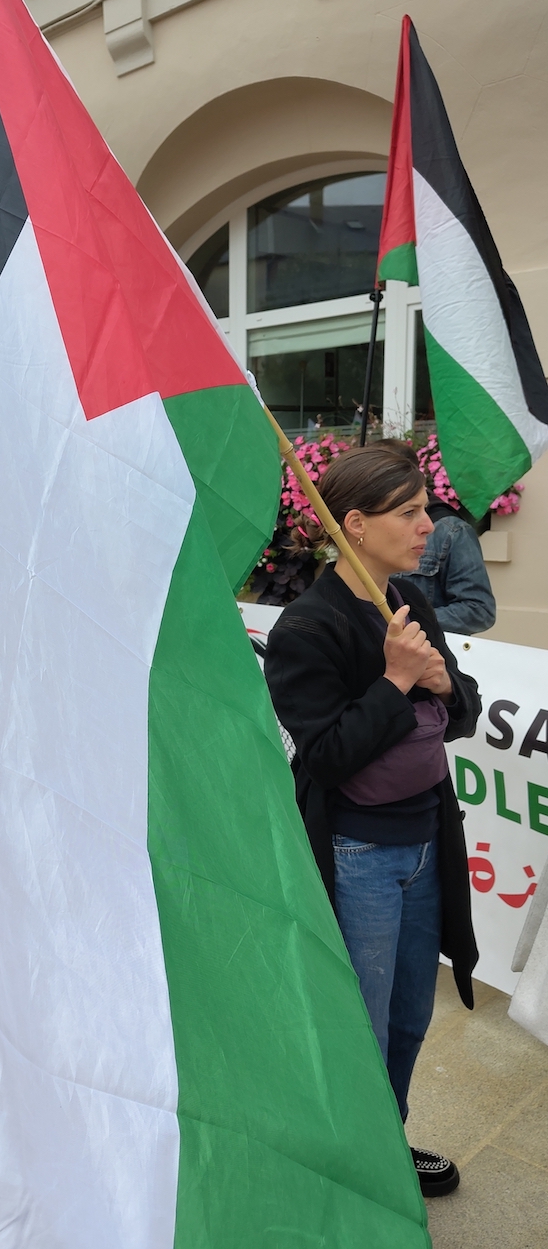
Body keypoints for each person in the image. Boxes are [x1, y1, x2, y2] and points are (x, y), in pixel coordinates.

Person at [264, 444, 481, 1198]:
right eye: (410, 512)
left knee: (412, 1014)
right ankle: (349, 1173)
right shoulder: (305, 630)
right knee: (360, 1020)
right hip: (360, 854)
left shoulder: (410, 602)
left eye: (427, 508)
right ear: (353, 524)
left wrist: (441, 678)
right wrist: (395, 679)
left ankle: (382, 1145)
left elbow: (465, 710)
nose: (429, 525)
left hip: (427, 843)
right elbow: (326, 756)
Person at [382, 442, 496, 636]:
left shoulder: (451, 531)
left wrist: (406, 621)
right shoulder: (366, 529)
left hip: (430, 654)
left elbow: (479, 610)